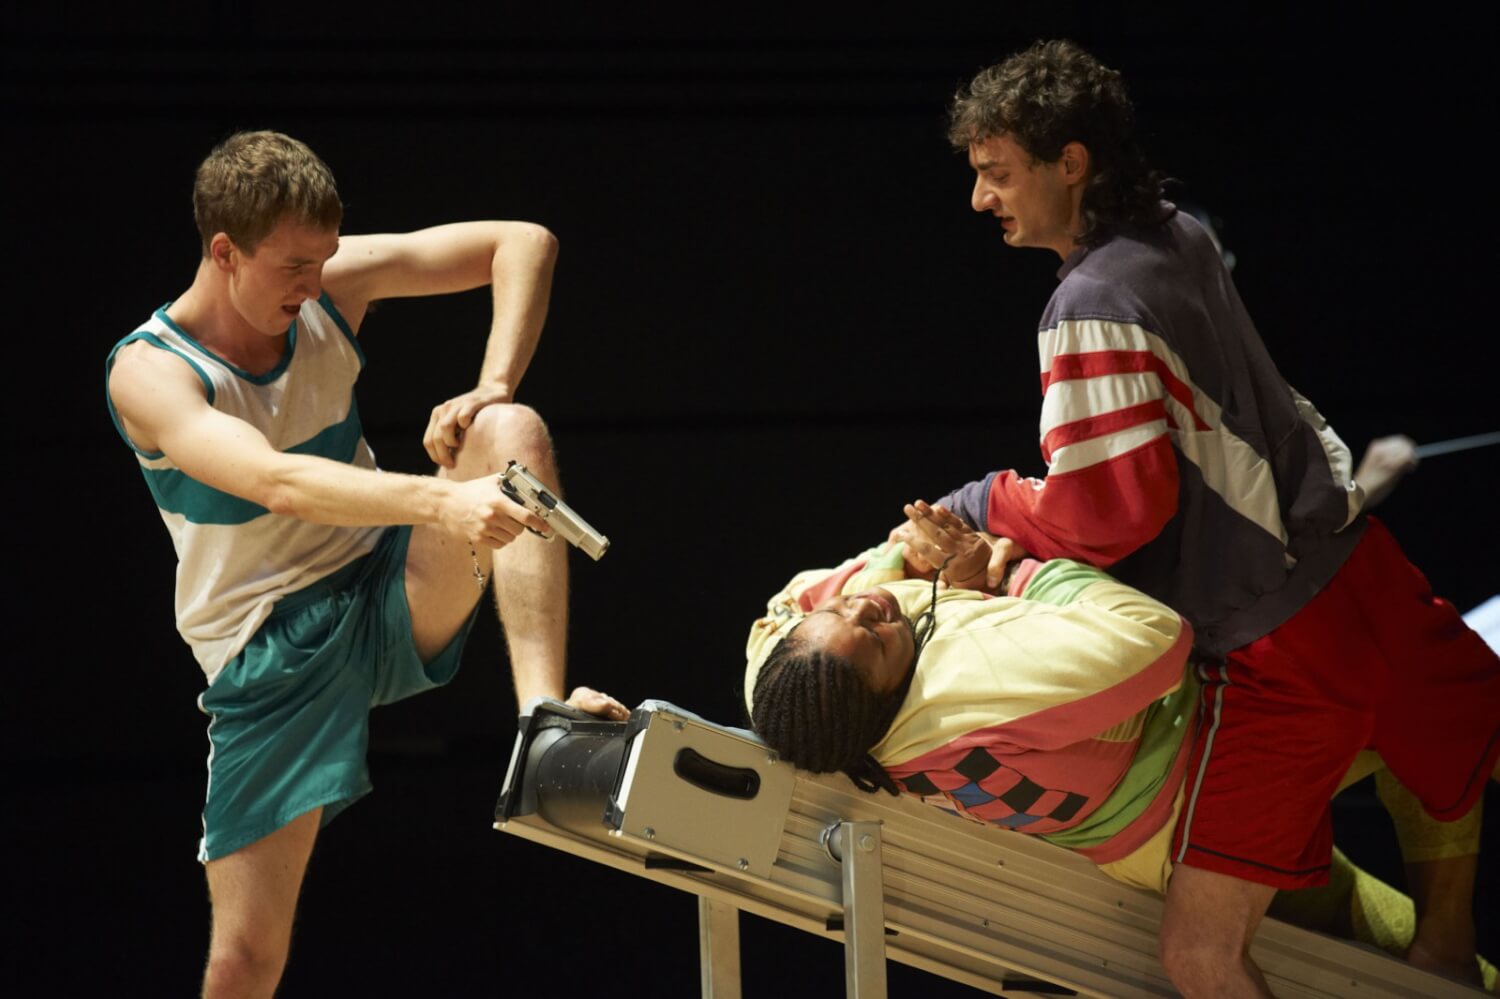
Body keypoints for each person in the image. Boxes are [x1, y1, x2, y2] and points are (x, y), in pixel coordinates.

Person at [918, 40, 1500, 995]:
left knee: (1199, 956)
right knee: (1459, 722)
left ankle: (1439, 944)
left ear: (1072, 162)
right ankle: (1444, 940)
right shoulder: (1175, 227)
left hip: (1283, 646)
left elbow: (1110, 514)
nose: (983, 200)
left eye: (998, 174)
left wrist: (985, 504)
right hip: (1361, 567)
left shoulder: (1087, 303)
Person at [104, 130, 627, 998]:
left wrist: (492, 384)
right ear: (224, 252)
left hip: (392, 581)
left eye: (324, 261)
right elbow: (273, 481)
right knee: (244, 959)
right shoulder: (151, 373)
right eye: (291, 268)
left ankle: (542, 721)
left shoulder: (328, 282)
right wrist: (439, 500)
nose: (314, 286)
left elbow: (524, 241)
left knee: (513, 434)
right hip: (269, 645)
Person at [745, 507, 1496, 990]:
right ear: (882, 697)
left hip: (1147, 828)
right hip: (1196, 773)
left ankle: (1452, 954)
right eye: (874, 635)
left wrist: (887, 568)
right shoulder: (966, 682)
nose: (873, 608)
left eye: (850, 613)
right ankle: (1448, 943)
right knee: (1424, 724)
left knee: (1382, 860)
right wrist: (1012, 569)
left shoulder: (792, 695)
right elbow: (1155, 641)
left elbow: (798, 606)